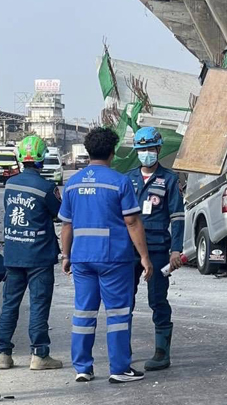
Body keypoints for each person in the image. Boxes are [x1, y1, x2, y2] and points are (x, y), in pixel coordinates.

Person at [58, 127, 153, 384]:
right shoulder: (119, 182)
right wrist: (144, 257)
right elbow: (132, 221)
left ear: (88, 151)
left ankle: (82, 368)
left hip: (82, 258)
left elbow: (66, 225)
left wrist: (66, 256)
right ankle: (119, 368)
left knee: (83, 313)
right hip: (114, 258)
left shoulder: (73, 183)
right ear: (112, 152)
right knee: (118, 314)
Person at [0, 136, 63, 371]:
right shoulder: (47, 188)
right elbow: (60, 214)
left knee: (9, 304)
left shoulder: (11, 184)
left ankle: (3, 354)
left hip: (14, 254)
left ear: (20, 158)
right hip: (39, 257)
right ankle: (39, 354)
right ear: (42, 158)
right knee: (39, 304)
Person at [126, 127, 185, 371]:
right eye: (142, 150)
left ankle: (162, 352)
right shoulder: (127, 179)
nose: (146, 154)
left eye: (150, 149)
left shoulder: (169, 179)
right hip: (130, 250)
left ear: (159, 149)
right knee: (124, 300)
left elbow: (177, 216)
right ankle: (122, 350)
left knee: (158, 299)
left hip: (159, 249)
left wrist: (176, 249)